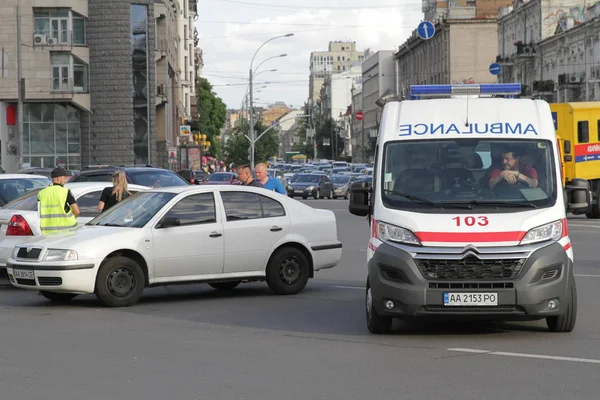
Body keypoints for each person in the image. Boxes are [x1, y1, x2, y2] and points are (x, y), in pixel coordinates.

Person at [37, 167, 79, 235]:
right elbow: (77, 211)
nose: (65, 181)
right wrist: (72, 218)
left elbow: (40, 212)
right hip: (67, 230)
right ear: (58, 179)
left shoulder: (41, 193)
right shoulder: (65, 192)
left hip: (48, 232)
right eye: (64, 178)